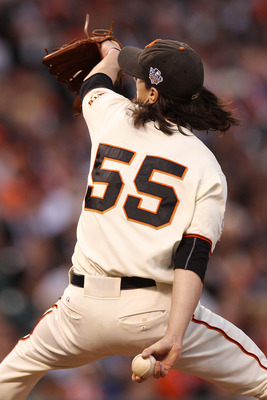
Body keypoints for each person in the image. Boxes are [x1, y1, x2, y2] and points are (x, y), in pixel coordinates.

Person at [0, 37, 266, 400]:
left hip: (79, 310)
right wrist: (174, 335)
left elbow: (96, 83)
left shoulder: (112, 115)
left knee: (9, 378)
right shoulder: (206, 166)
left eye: (141, 75)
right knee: (262, 380)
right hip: (152, 316)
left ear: (153, 95)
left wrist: (109, 54)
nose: (135, 78)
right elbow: (192, 258)